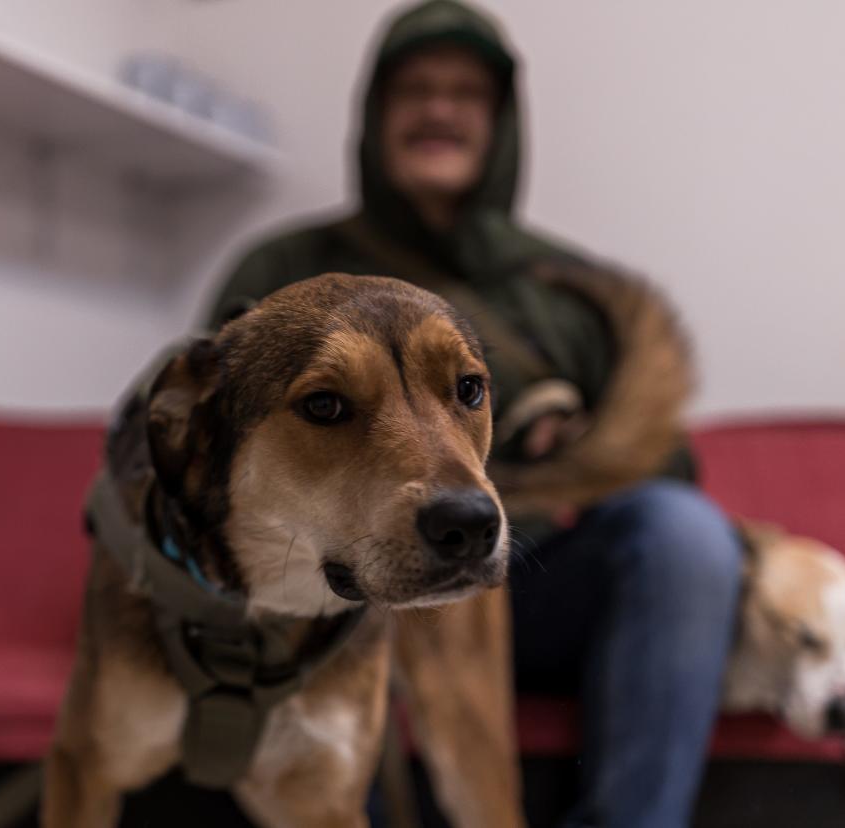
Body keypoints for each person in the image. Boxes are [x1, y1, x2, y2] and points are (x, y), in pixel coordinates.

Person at [208, 2, 742, 826]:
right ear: (375, 113)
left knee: (685, 534)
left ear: (502, 121)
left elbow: (668, 461)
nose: (439, 109)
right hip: (341, 594)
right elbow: (216, 454)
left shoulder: (563, 289)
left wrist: (566, 451)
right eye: (415, 89)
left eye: (466, 93)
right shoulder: (283, 270)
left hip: (537, 578)